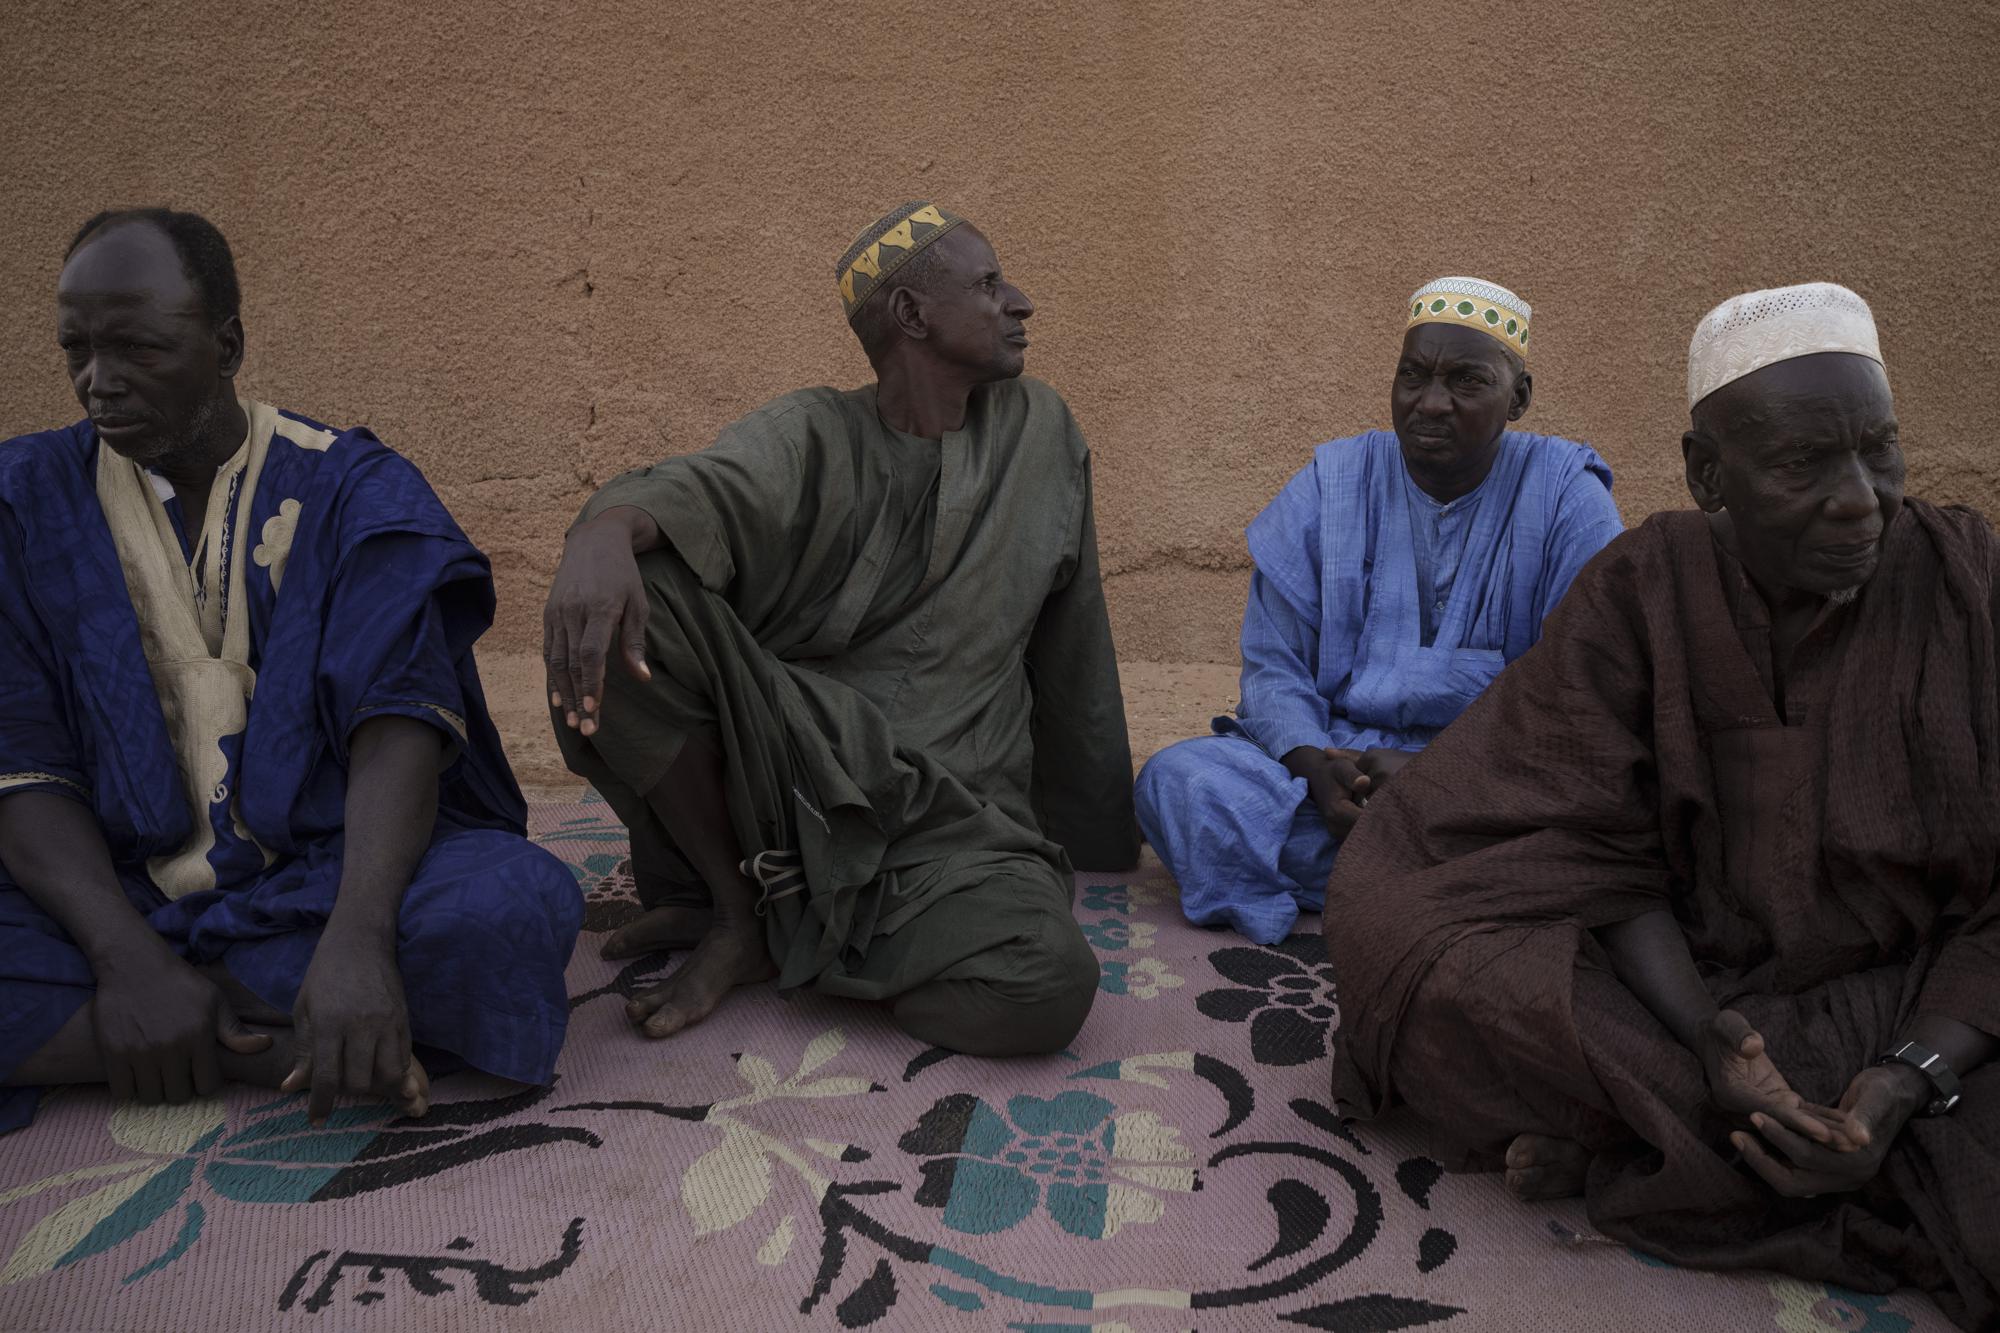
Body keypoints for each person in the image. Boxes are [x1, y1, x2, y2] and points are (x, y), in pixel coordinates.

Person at [1323, 282, 1999, 1327]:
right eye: (1800, 465)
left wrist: (1909, 1074)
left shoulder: (1965, 584)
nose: (1859, 498)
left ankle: (1673, 1143)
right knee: (1405, 938)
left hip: (1908, 991)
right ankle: (1734, 1131)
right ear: (1704, 474)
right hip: (1677, 990)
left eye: (1878, 451)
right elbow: (1588, 836)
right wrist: (1706, 1037)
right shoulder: (1643, 585)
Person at [0, 209, 581, 1132]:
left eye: (137, 349)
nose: (97, 384)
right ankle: (267, 1044)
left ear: (226, 344)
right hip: (102, 891)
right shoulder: (21, 501)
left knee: (508, 908)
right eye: (77, 349)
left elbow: (401, 723)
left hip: (321, 879)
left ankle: (186, 1023)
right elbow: (20, 760)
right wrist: (124, 956)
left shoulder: (354, 488)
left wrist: (358, 941)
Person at [544, 201, 1136, 1056]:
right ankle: (743, 903)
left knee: (1047, 982)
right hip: (796, 777)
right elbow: (703, 489)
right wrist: (600, 532)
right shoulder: (812, 433)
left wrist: (1094, 823)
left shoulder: (1042, 432)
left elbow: (1072, 638)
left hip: (953, 822)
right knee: (634, 594)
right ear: (911, 315)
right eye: (989, 284)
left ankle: (782, 929)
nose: (1021, 302)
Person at [1135, 279, 1623, 943]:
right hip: (1337, 772)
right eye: (1412, 376)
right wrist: (1314, 768)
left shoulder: (1568, 494)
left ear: (1520, 398)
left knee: (1587, 833)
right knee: (1179, 782)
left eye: (1466, 382)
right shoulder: (1333, 482)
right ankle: (1434, 897)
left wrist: (1439, 777)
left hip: (1487, 786)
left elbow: (1578, 699)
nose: (1430, 403)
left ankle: (1373, 886)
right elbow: (1274, 668)